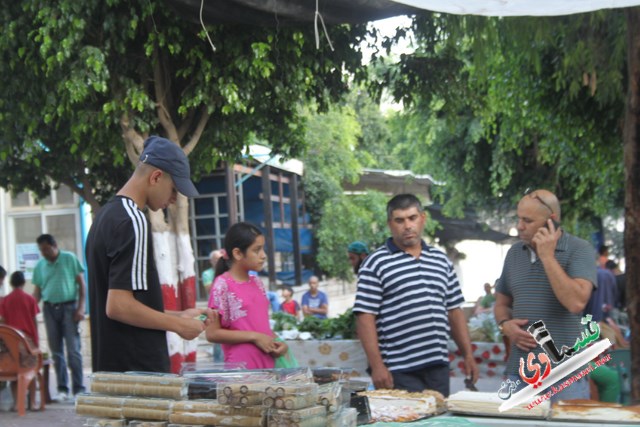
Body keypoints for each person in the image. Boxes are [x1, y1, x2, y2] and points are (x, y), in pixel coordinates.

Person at [86, 136, 212, 373]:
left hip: (113, 367)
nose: (173, 200)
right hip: (136, 370)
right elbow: (118, 306)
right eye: (174, 190)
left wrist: (179, 314)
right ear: (156, 177)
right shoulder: (133, 221)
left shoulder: (104, 217)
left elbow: (129, 305)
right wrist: (177, 325)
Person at [354, 194, 478, 396]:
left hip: (437, 365)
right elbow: (364, 317)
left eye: (412, 218)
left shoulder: (441, 260)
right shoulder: (376, 263)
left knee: (439, 421)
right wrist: (377, 366)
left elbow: (454, 312)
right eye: (399, 220)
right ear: (389, 224)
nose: (407, 226)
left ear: (423, 218)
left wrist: (468, 355)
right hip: (398, 369)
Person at [494, 189, 597, 402]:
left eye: (528, 221)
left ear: (552, 221)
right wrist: (505, 325)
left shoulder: (579, 249)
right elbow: (501, 304)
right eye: (519, 218)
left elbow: (577, 303)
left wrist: (547, 256)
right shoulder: (514, 253)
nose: (519, 226)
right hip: (519, 371)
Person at [205, 222, 288, 369]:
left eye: (263, 249)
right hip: (241, 368)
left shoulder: (257, 282)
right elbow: (212, 333)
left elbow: (260, 325)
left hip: (267, 364)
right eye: (257, 250)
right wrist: (254, 337)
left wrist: (277, 341)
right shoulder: (222, 285)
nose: (263, 255)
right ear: (237, 253)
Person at [32, 233, 86, 399]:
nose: (44, 253)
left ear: (54, 246)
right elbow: (37, 292)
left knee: (73, 350)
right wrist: (30, 311)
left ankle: (79, 389)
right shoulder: (40, 265)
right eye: (41, 250)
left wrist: (80, 309)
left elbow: (82, 285)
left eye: (46, 249)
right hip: (49, 309)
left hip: (69, 308)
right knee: (56, 352)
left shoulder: (69, 259)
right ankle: (62, 389)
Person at [0, 271, 41, 411]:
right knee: (31, 370)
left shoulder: (5, 300)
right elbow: (34, 321)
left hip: (10, 342)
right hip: (26, 343)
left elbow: (4, 323)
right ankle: (33, 402)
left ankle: (17, 402)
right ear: (24, 283)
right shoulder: (30, 299)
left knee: (14, 372)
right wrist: (36, 343)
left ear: (11, 283)